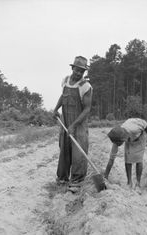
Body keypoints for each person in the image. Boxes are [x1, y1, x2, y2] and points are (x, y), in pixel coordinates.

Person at [53, 56, 93, 188]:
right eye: (77, 70)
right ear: (72, 68)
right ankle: (62, 178)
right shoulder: (65, 80)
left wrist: (74, 125)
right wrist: (56, 109)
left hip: (79, 124)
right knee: (64, 150)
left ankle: (77, 181)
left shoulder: (86, 86)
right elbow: (63, 96)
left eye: (82, 71)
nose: (79, 73)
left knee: (78, 153)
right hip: (65, 121)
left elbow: (87, 109)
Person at [104, 117, 147, 191]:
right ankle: (129, 182)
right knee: (128, 159)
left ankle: (138, 183)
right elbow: (111, 159)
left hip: (139, 138)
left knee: (138, 159)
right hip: (129, 139)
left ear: (122, 139)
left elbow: (145, 124)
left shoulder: (134, 129)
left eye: (118, 143)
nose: (117, 145)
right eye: (116, 143)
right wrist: (105, 176)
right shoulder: (117, 137)